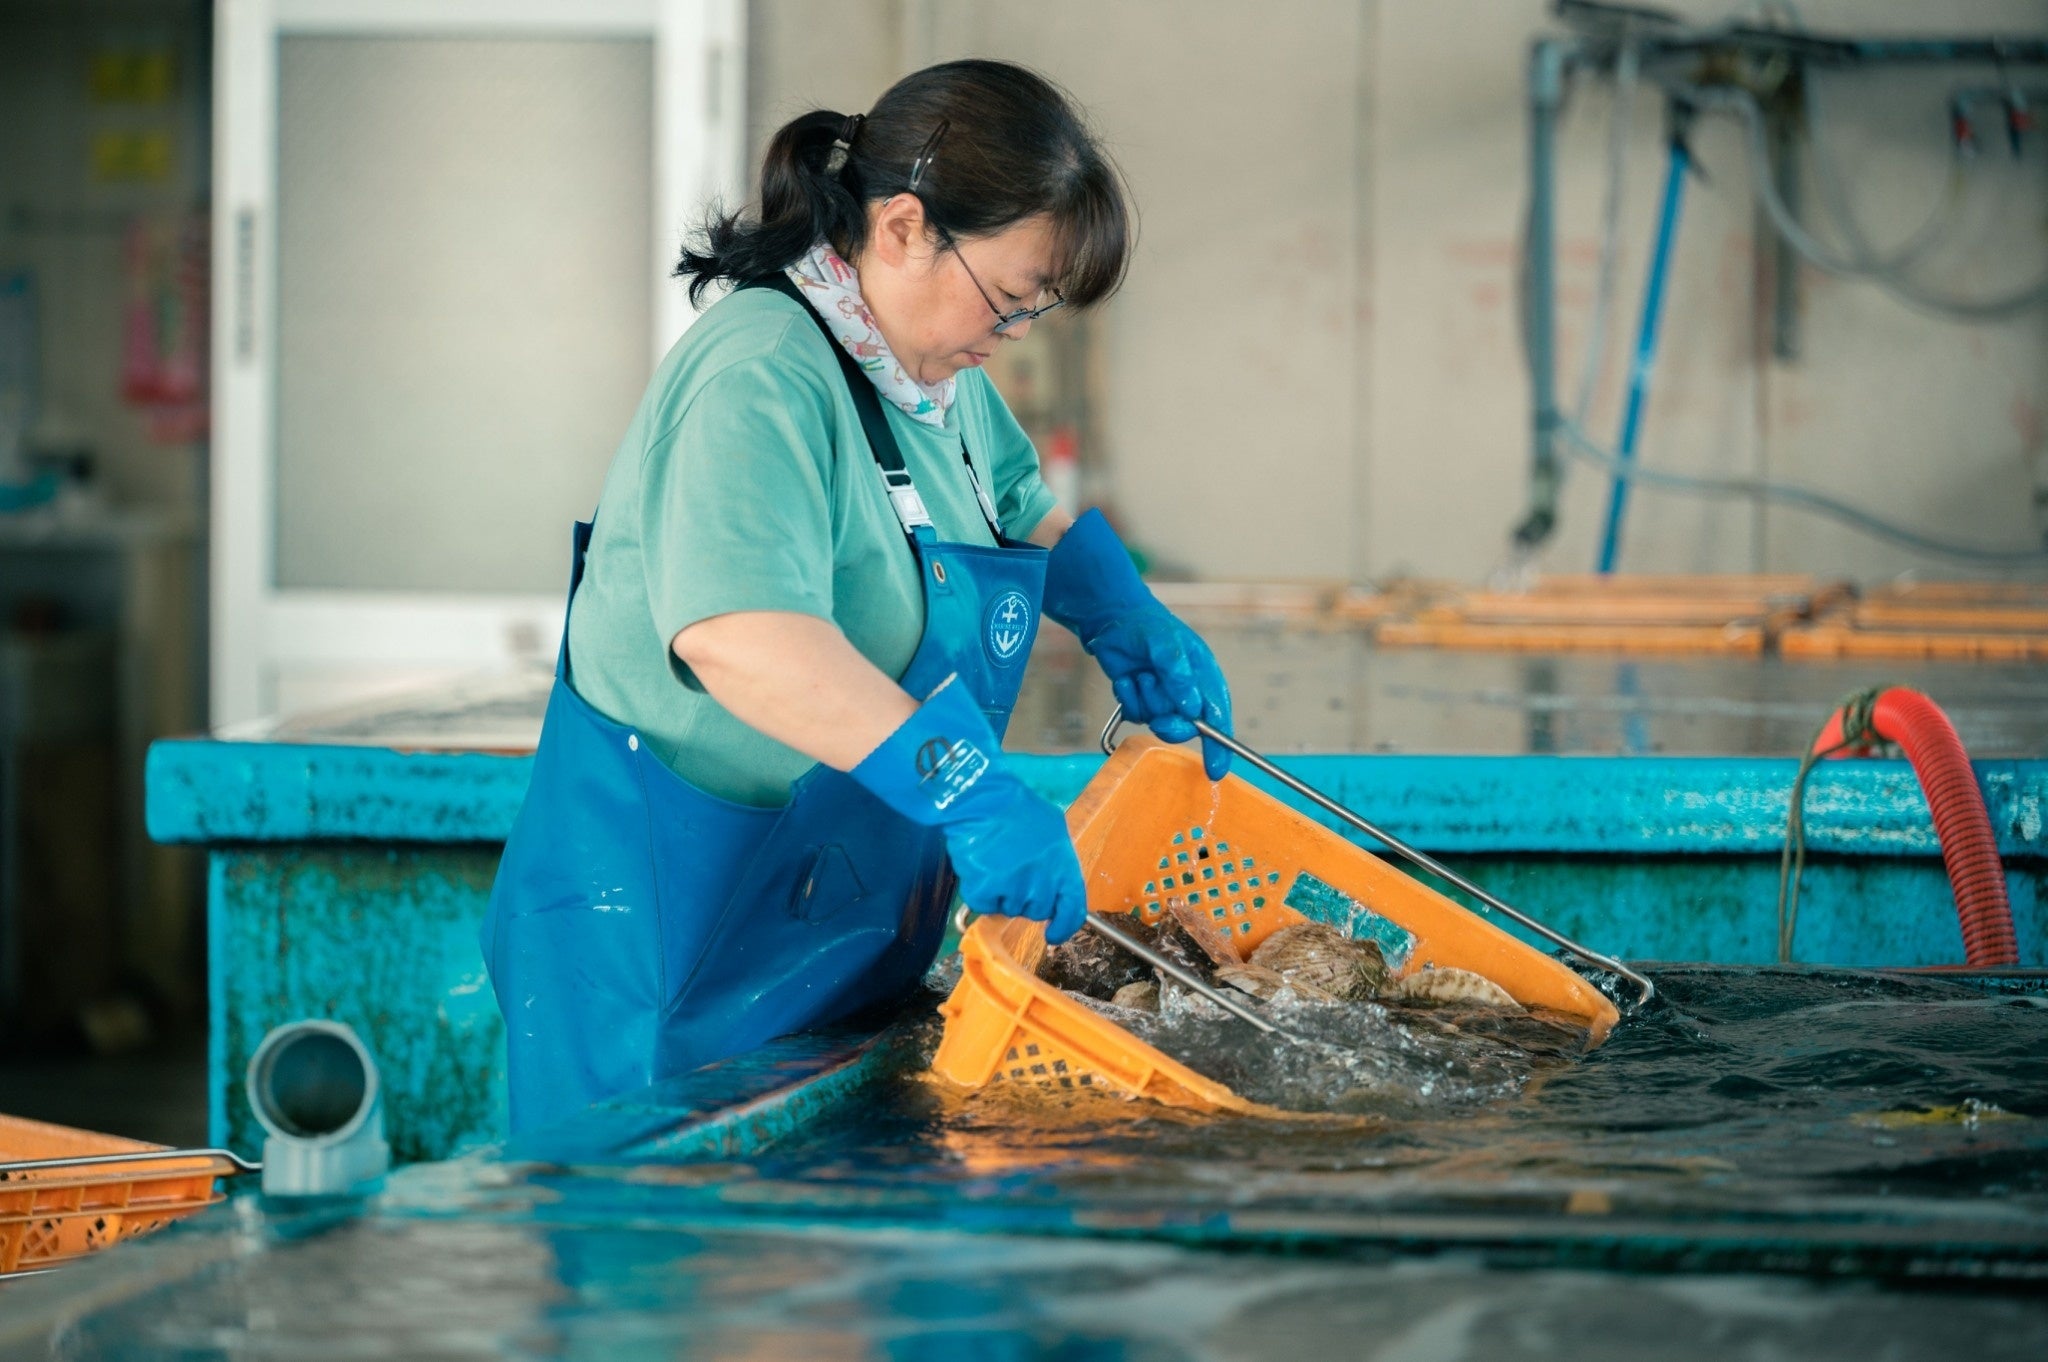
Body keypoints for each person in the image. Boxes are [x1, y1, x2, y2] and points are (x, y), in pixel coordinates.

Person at [480, 59, 1234, 1135]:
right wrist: (967, 788)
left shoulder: (929, 377)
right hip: (668, 946)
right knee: (660, 1276)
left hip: (829, 931)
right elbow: (740, 638)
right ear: (902, 227)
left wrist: (1124, 614)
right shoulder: (759, 373)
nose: (1012, 335)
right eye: (1008, 298)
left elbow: (1014, 502)